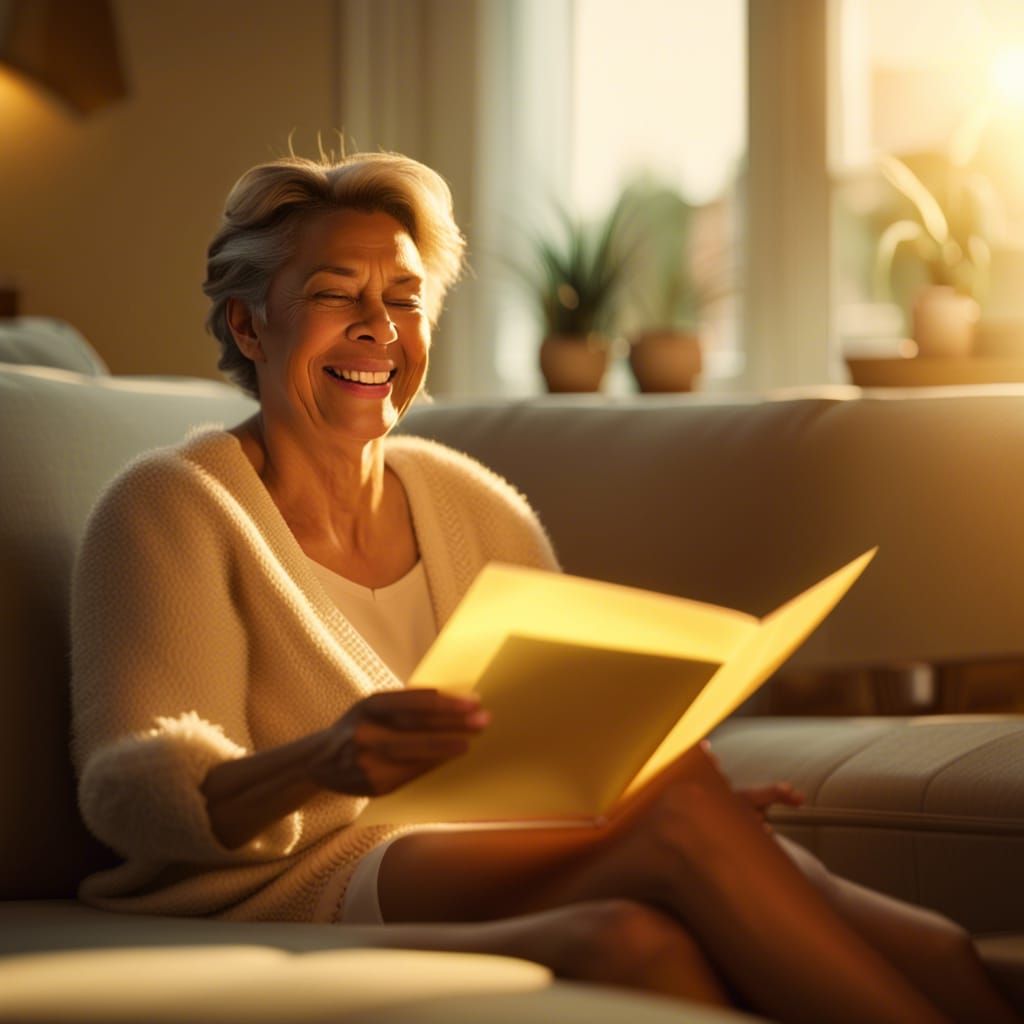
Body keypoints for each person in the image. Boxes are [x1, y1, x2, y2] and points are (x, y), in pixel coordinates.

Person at [70, 151, 1018, 1024]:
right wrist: (320, 762)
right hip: (305, 878)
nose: (380, 328)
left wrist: (649, 769)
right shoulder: (173, 504)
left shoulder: (471, 503)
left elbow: (566, 730)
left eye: (405, 298)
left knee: (910, 941)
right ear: (249, 323)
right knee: (679, 845)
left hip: (481, 844)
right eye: (334, 294)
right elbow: (125, 793)